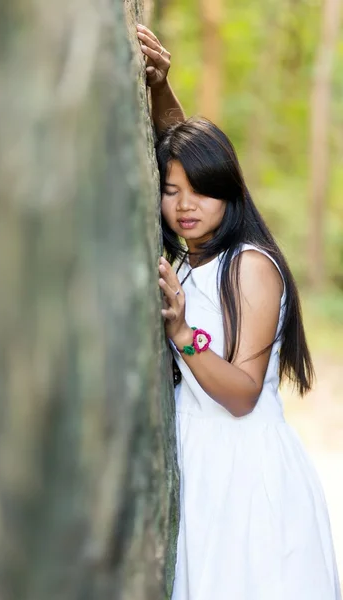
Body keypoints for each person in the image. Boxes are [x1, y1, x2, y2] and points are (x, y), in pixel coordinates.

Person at [136, 23, 342, 600]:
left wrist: (181, 331)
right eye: (169, 192)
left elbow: (243, 392)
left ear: (231, 194)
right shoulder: (195, 261)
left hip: (246, 478)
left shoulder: (250, 265)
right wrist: (159, 90)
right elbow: (186, 161)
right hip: (200, 465)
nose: (184, 207)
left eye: (203, 192)